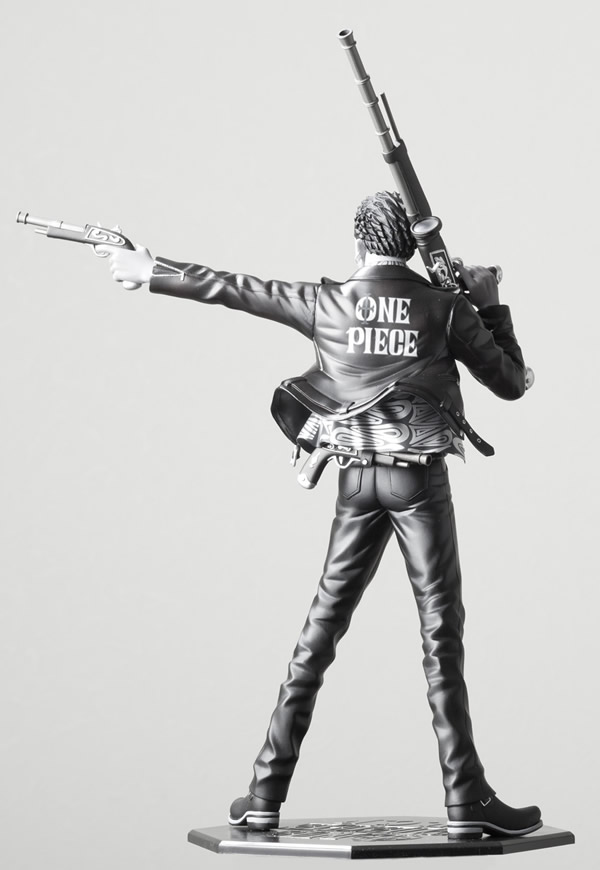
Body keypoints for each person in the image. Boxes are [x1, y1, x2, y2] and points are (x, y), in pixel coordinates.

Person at [98, 191, 541, 840]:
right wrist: (491, 304)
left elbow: (234, 287)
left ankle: (263, 795)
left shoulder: (326, 302)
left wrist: (151, 270)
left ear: (358, 242)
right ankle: (465, 800)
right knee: (440, 637)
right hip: (419, 481)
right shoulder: (446, 309)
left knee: (319, 631)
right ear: (411, 246)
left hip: (355, 479)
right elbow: (511, 382)